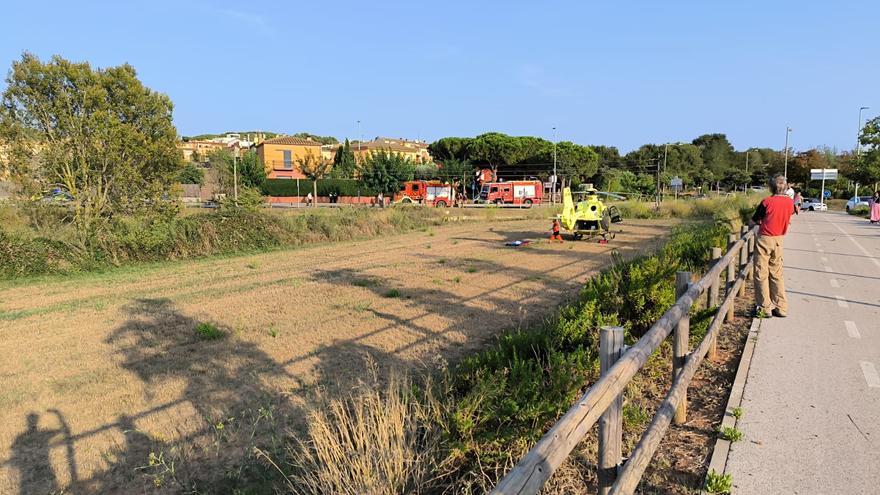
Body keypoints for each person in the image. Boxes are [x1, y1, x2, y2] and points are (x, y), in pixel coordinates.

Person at [750, 174, 795, 318]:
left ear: (771, 187)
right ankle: (781, 307)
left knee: (761, 273)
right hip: (779, 240)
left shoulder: (767, 202)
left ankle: (764, 307)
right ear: (785, 187)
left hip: (765, 239)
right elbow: (789, 215)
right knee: (777, 274)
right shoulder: (790, 202)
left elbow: (754, 220)